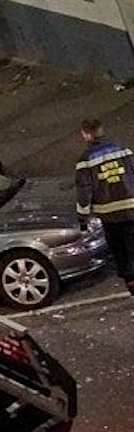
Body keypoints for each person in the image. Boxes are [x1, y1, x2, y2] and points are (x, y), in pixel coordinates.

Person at [76, 118, 134, 298]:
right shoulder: (123, 151)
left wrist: (82, 220)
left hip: (109, 217)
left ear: (85, 134)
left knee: (121, 256)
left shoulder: (85, 161)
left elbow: (84, 191)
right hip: (132, 211)